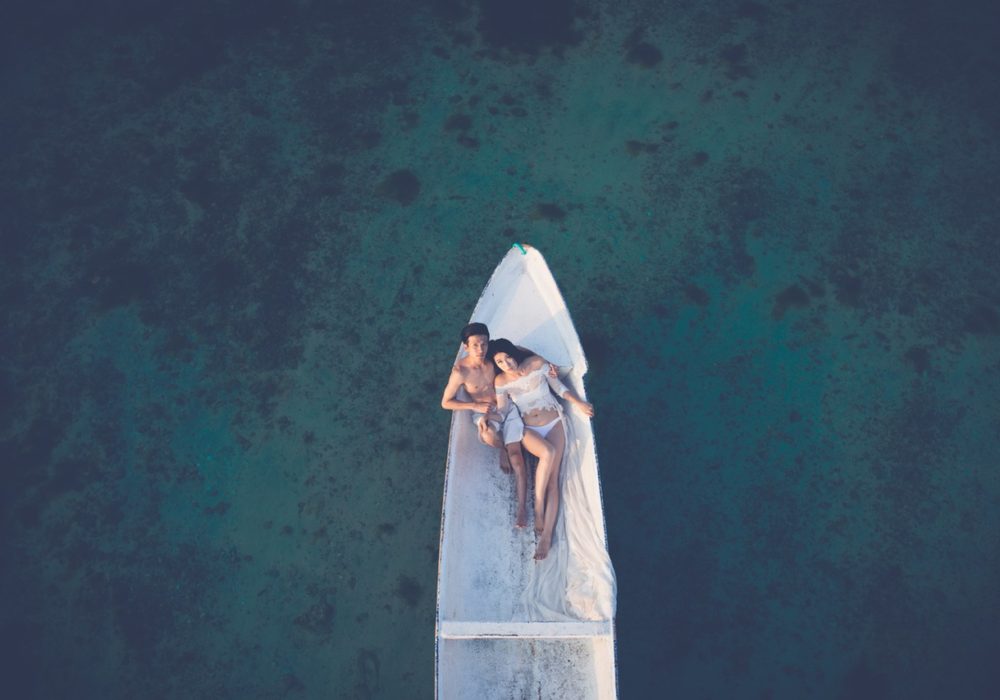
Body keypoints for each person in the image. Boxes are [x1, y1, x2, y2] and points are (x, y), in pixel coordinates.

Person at [488, 338, 594, 560]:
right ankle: (538, 508)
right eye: (500, 362)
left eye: (508, 358)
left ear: (514, 353)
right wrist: (486, 420)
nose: (506, 364)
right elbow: (503, 411)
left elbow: (559, 388)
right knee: (548, 452)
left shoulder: (537, 363)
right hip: (529, 430)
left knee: (553, 481)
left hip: (554, 423)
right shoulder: (501, 381)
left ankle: (546, 537)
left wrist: (578, 403)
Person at [441, 323, 531, 528]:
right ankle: (502, 449)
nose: (480, 349)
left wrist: (545, 363)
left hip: (506, 407)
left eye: (484, 344)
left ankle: (521, 509)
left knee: (518, 460)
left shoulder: (492, 355)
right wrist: (474, 405)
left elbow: (518, 351)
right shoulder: (460, 372)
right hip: (483, 412)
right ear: (466, 347)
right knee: (488, 433)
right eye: (475, 345)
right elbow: (445, 402)